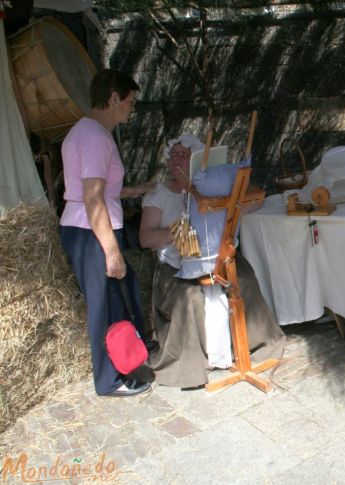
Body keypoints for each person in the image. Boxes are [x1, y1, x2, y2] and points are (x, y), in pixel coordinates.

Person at [139, 135, 285, 389]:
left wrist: (235, 200)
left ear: (197, 160)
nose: (177, 159)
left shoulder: (214, 189)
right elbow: (145, 238)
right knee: (190, 297)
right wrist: (178, 233)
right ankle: (189, 367)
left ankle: (258, 346)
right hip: (175, 268)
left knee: (245, 278)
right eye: (173, 155)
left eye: (184, 155)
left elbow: (255, 201)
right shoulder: (159, 195)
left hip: (216, 261)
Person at [59, 69, 154, 398]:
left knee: (118, 296)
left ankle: (128, 359)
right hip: (92, 232)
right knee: (104, 306)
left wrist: (140, 189)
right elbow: (93, 197)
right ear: (114, 98)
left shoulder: (85, 132)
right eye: (130, 101)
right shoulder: (97, 138)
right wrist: (112, 252)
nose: (131, 107)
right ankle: (110, 380)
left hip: (84, 227)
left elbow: (103, 189)